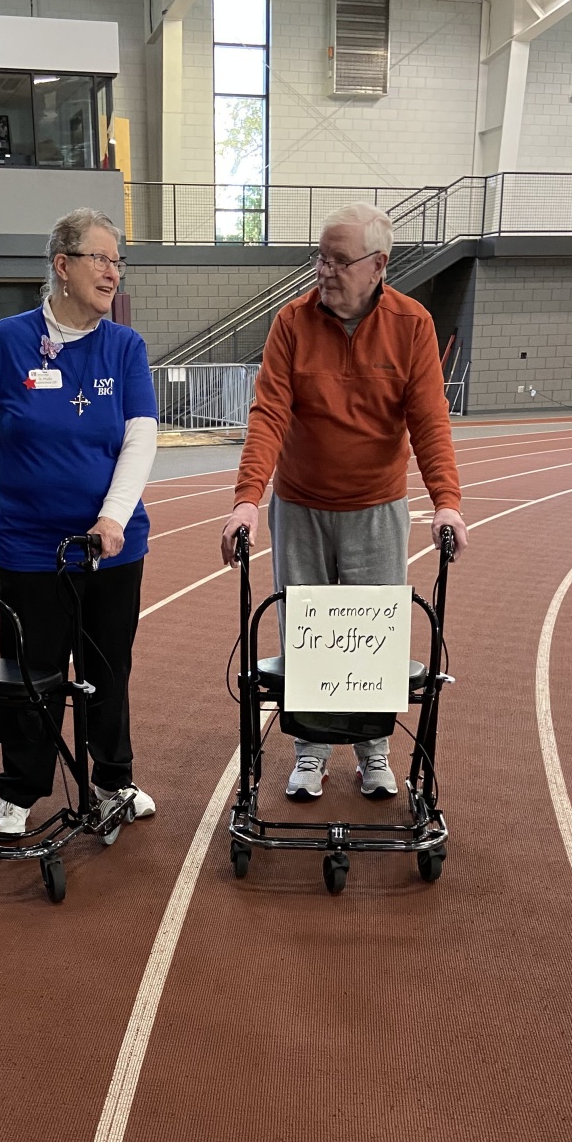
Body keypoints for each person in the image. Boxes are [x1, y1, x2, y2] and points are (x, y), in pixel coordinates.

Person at [0, 207, 159, 836]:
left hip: (109, 550)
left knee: (106, 671)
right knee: (30, 671)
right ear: (62, 265)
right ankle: (21, 789)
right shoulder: (7, 340)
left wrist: (112, 518)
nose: (112, 272)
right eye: (100, 258)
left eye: (117, 261)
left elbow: (140, 440)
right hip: (27, 547)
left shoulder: (125, 346)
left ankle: (111, 782)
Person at [221, 201, 468, 802]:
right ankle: (309, 753)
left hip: (377, 509)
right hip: (300, 506)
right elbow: (269, 413)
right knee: (305, 631)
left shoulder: (412, 326)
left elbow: (429, 421)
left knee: (372, 635)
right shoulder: (291, 323)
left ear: (378, 264)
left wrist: (447, 502)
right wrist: (247, 499)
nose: (323, 271)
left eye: (337, 260)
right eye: (319, 258)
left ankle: (373, 751)